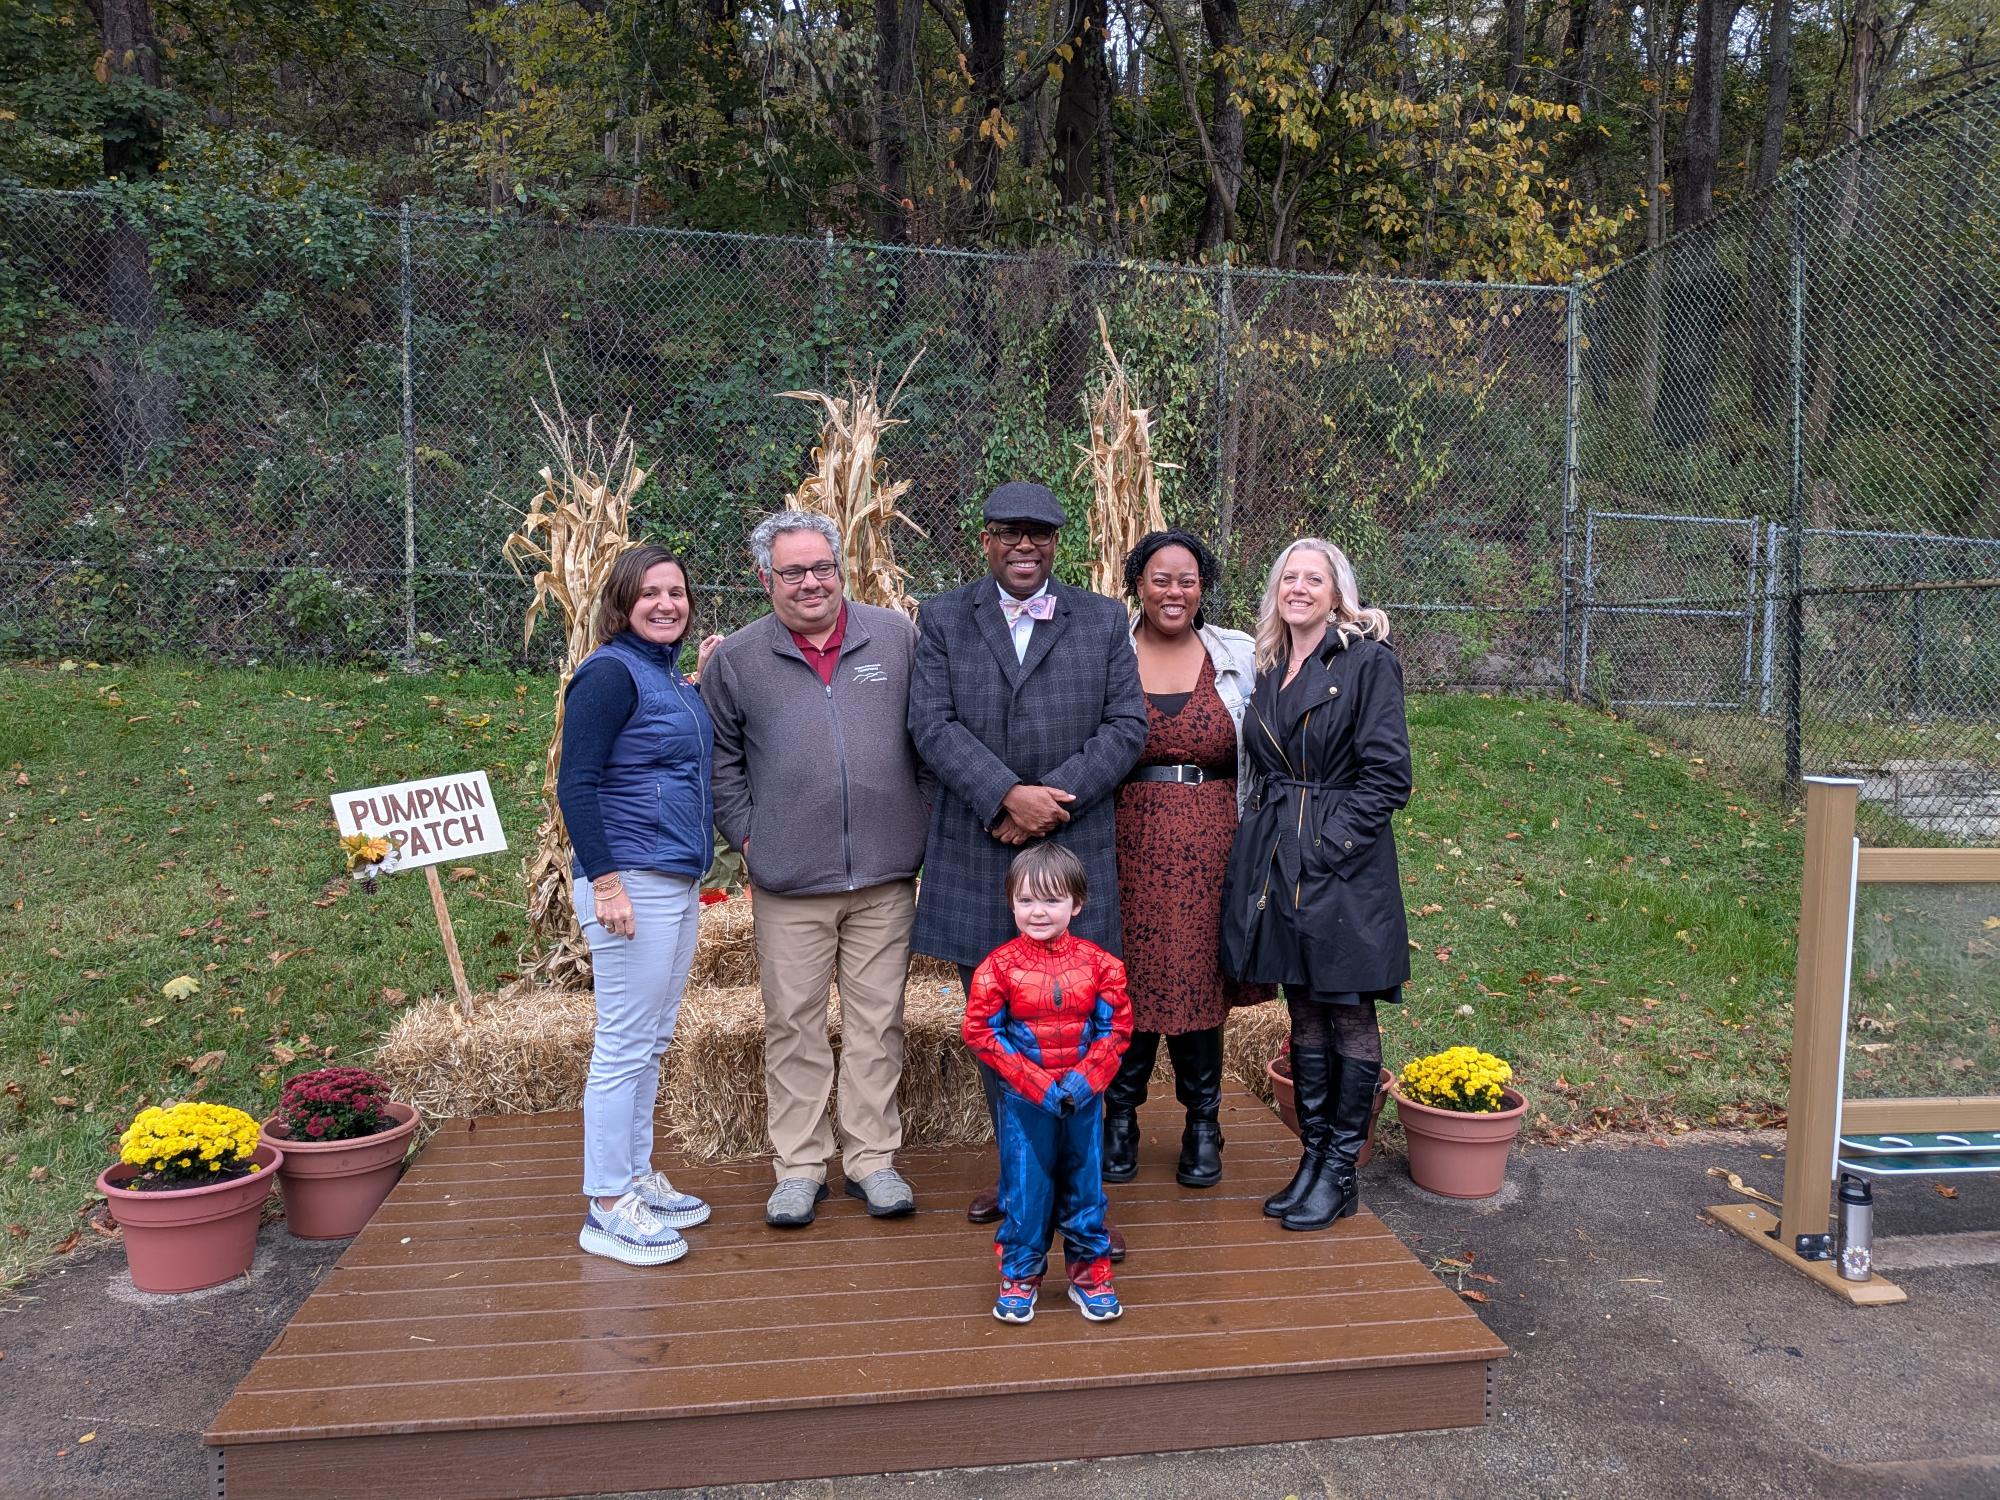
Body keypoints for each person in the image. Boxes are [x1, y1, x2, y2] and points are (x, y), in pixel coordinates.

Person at [907, 480, 1148, 1231]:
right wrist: (1006, 794)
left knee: (1077, 1024)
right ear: (984, 540)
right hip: (978, 851)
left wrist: (1052, 799)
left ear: (1055, 543)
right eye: (1009, 532)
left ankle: (1077, 1196)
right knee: (1000, 1027)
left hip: (1071, 853)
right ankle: (1020, 1181)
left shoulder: (1105, 620)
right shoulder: (943, 617)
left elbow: (1126, 725)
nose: (1024, 545)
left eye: (1039, 533)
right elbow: (931, 723)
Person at [701, 509, 933, 1229]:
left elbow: (931, 735)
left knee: (877, 1022)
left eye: (822, 568)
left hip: (886, 876)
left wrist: (918, 823)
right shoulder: (737, 659)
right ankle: (800, 1165)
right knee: (793, 1023)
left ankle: (872, 1160)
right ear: (764, 577)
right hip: (789, 882)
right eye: (793, 571)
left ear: (842, 569)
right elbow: (721, 761)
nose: (811, 583)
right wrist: (751, 838)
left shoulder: (894, 638)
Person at [1219, 537, 1412, 1232]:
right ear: (1276, 591)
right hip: (1280, 859)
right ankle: (1312, 1158)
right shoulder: (1268, 665)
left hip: (1342, 865)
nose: (1299, 588)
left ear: (1337, 594)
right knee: (1302, 1010)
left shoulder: (1366, 663)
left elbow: (1390, 776)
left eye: (1314, 579)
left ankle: (1340, 1170)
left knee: (1349, 1011)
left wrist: (1329, 844)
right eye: (1288, 578)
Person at [556, 543, 722, 1266]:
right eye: (649, 593)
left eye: (677, 592)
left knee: (651, 1039)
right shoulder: (606, 675)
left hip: (674, 876)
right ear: (621, 604)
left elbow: (667, 748)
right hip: (631, 877)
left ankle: (635, 1178)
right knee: (623, 1044)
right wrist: (606, 881)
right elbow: (576, 784)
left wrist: (698, 682)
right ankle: (604, 1205)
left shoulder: (660, 676)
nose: (666, 604)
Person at [1104, 529, 1265, 1190]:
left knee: (1199, 979)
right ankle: (1120, 1121)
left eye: (1188, 580)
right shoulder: (1108, 652)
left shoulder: (1239, 655)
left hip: (1212, 842)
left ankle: (1204, 1123)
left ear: (1203, 588)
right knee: (1129, 979)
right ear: (1139, 584)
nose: (1175, 592)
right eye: (1161, 579)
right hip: (1125, 841)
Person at [962, 844, 1133, 1323]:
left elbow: (1116, 1030)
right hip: (1025, 1105)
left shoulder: (1101, 965)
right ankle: (1019, 1275)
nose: (1038, 912)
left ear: (1076, 904)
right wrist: (1034, 1083)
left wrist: (1084, 1081)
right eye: (1027, 900)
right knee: (1025, 1191)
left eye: (1052, 900)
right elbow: (981, 1031)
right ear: (1010, 903)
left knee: (1085, 1189)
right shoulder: (997, 967)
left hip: (1082, 1102)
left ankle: (1089, 1274)